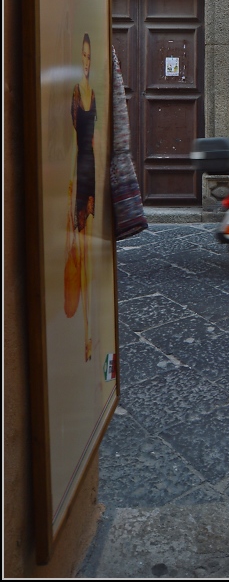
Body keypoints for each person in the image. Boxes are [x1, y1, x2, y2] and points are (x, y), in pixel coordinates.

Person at [68, 33, 96, 361]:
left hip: (92, 172)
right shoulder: (76, 93)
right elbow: (69, 141)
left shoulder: (93, 93)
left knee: (89, 253)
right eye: (84, 56)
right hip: (79, 172)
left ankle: (88, 332)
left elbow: (95, 139)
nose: (87, 62)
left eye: (90, 57)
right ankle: (85, 333)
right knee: (82, 253)